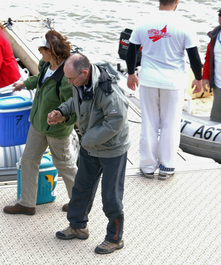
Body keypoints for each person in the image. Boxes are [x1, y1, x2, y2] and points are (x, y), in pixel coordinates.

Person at [48, 53, 130, 255]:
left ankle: (114, 238)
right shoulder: (80, 83)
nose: (68, 82)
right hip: (90, 147)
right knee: (81, 188)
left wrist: (86, 140)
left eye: (71, 78)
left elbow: (115, 121)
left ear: (84, 73)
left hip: (112, 149)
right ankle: (78, 226)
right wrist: (61, 111)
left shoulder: (107, 90)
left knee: (111, 197)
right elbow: (76, 101)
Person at [3, 30, 77, 215]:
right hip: (38, 123)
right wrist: (25, 83)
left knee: (65, 165)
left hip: (57, 129)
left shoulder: (67, 76)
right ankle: (27, 203)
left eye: (42, 50)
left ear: (51, 50)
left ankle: (79, 202)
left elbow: (73, 106)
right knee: (28, 160)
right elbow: (40, 80)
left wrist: (61, 117)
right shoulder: (45, 64)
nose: (39, 53)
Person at [126, 0, 202, 180]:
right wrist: (198, 78)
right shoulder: (185, 24)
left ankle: (147, 166)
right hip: (173, 82)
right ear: (176, 2)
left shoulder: (143, 22)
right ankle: (167, 166)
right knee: (171, 124)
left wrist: (130, 74)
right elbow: (194, 57)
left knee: (149, 122)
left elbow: (131, 51)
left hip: (148, 80)